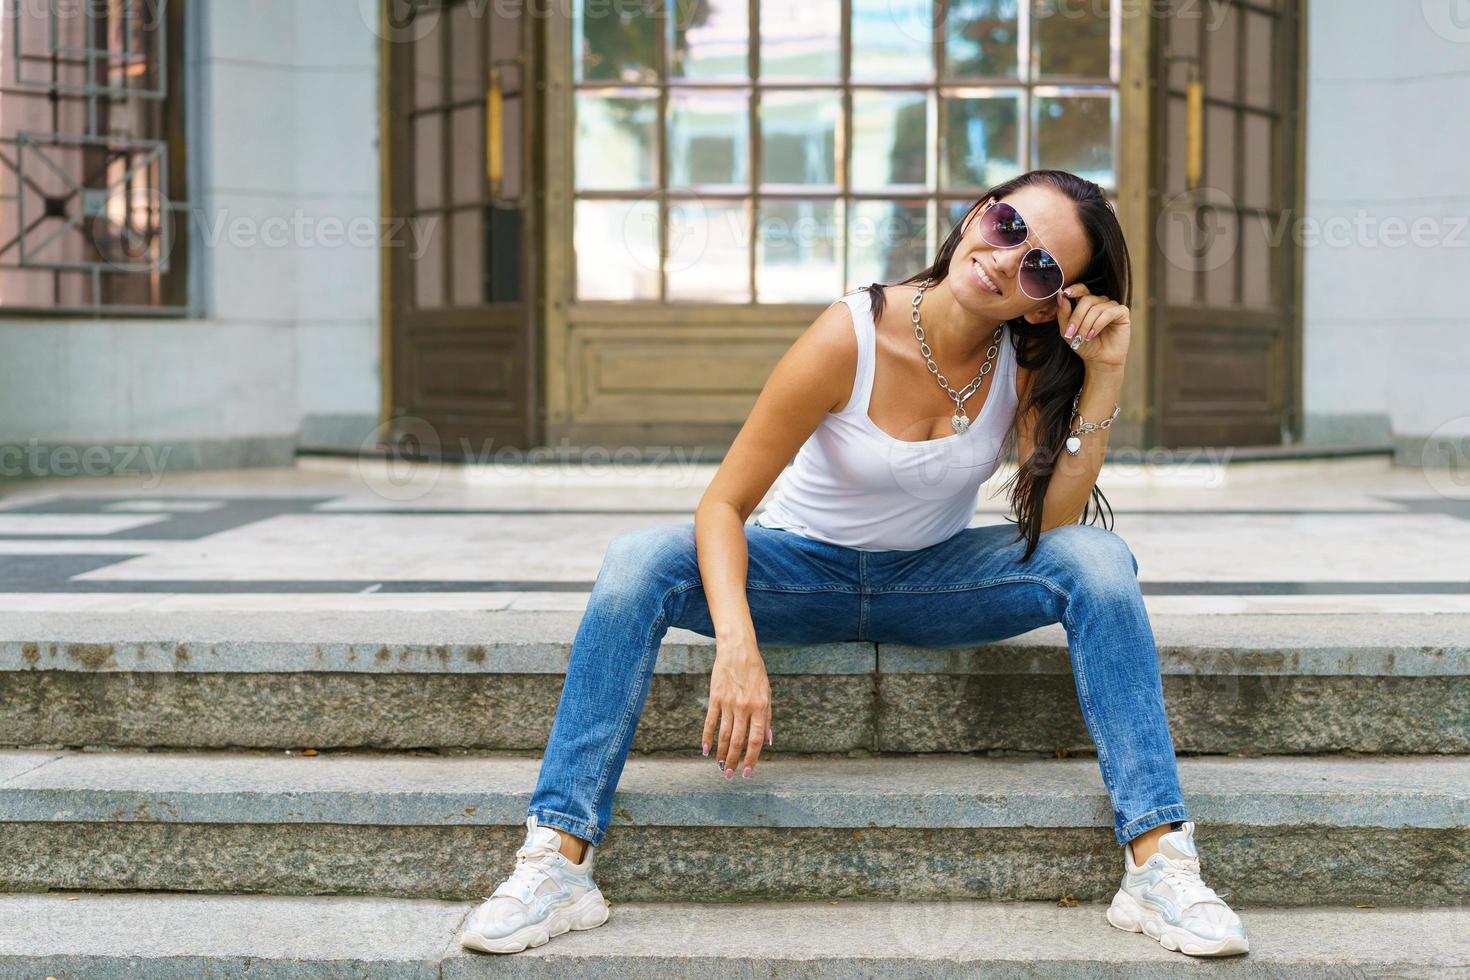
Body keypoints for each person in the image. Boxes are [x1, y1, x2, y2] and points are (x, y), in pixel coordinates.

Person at [459, 169, 1249, 959]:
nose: (1009, 259)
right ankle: (555, 862)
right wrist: (737, 646)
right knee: (636, 560)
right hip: (798, 575)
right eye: (1009, 226)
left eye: (1041, 265)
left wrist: (1104, 373)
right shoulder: (853, 332)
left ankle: (1158, 863)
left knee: (1100, 560)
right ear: (979, 214)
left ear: (1051, 301)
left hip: (933, 583)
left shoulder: (1026, 359)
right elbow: (723, 506)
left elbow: (1054, 529)